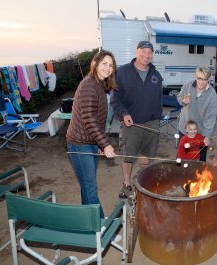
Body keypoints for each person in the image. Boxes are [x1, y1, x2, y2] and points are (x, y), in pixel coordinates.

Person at [66, 50, 117, 218]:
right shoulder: (89, 84)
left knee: (87, 186)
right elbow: (89, 118)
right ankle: (100, 226)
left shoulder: (99, 85)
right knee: (90, 187)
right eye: (104, 64)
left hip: (89, 142)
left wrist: (98, 143)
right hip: (79, 144)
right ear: (95, 64)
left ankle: (87, 221)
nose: (108, 68)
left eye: (110, 65)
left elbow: (98, 119)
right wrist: (105, 143)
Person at [110, 41, 163, 198]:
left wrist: (158, 115)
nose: (147, 55)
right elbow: (115, 99)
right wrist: (124, 114)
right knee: (128, 155)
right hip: (130, 123)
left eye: (150, 53)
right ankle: (126, 185)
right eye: (143, 52)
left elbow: (159, 98)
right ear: (136, 52)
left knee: (147, 154)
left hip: (151, 123)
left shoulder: (156, 75)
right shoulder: (122, 72)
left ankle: (142, 184)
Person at [177, 66, 217, 162]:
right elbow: (179, 97)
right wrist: (183, 100)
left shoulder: (212, 94)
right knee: (183, 155)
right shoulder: (188, 85)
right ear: (196, 77)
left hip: (200, 132)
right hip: (185, 129)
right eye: (199, 78)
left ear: (208, 80)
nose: (201, 82)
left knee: (199, 160)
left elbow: (211, 118)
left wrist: (207, 136)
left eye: (205, 79)